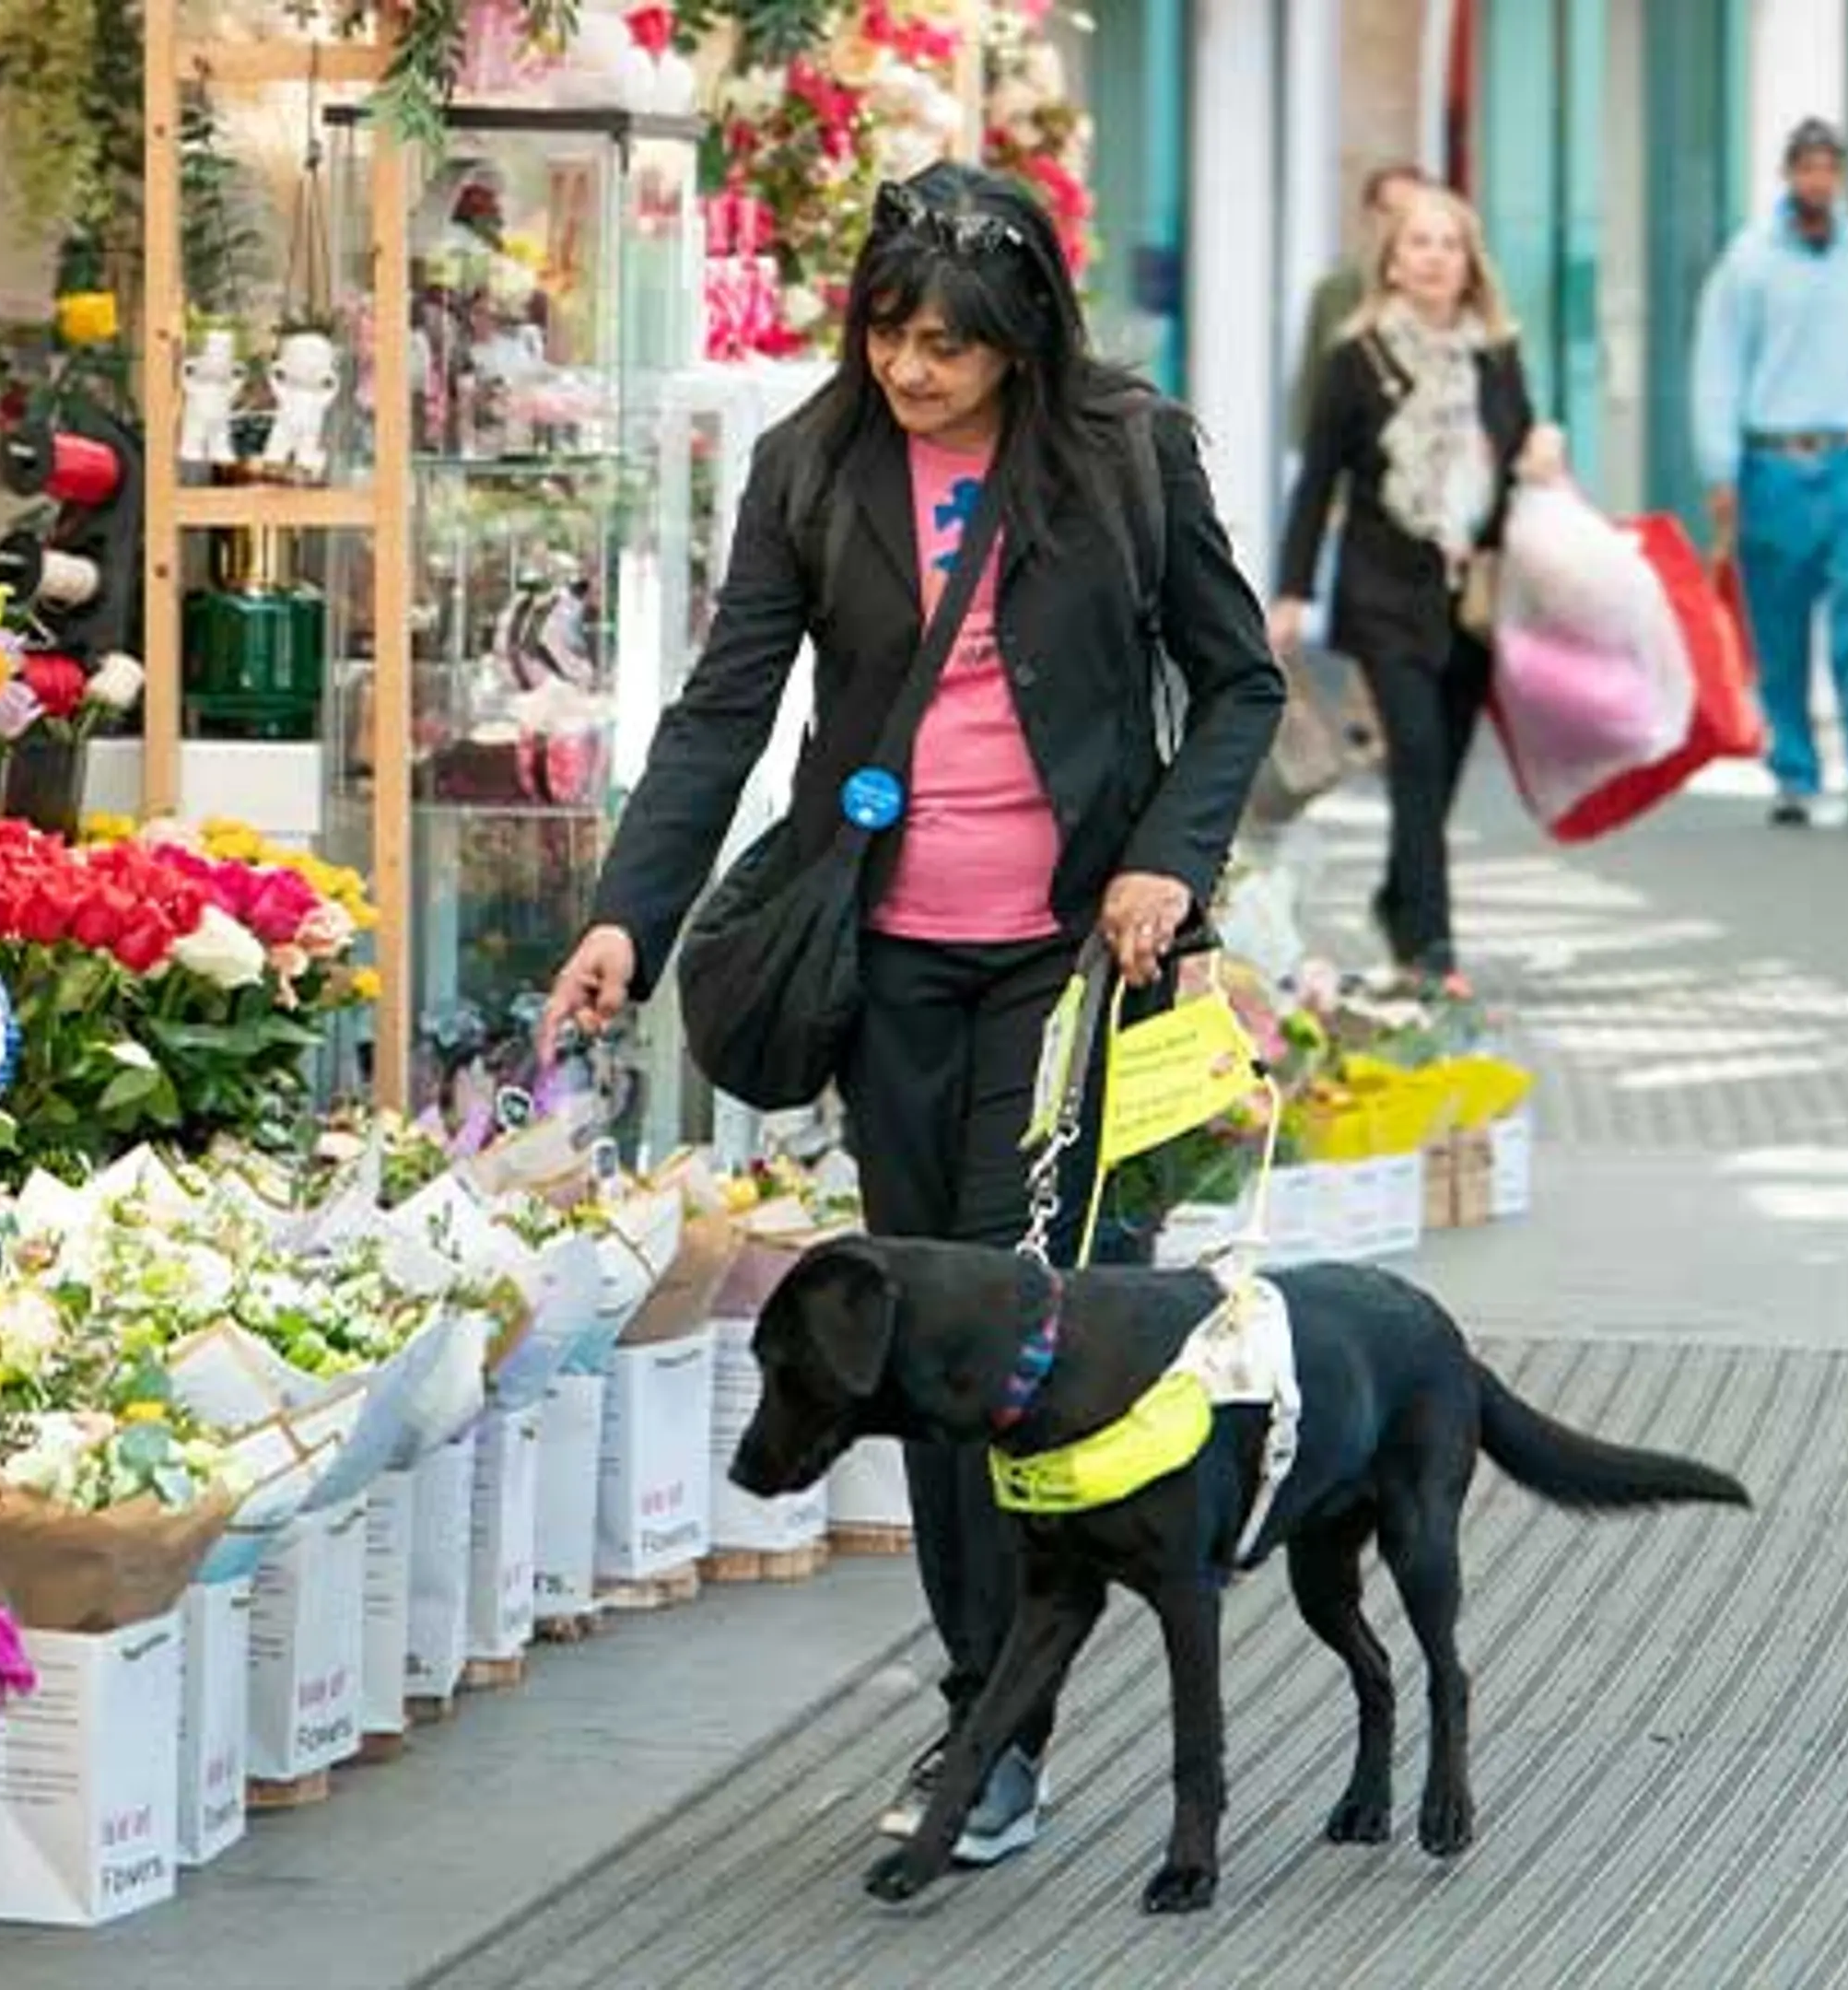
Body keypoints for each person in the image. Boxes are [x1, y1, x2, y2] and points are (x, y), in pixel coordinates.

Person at [537, 163, 1286, 1868]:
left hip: (1074, 956)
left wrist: (1169, 862)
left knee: (1014, 1334)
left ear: (1023, 339)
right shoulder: (810, 466)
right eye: (888, 331)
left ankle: (1009, 1707)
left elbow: (1239, 680)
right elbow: (728, 706)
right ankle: (987, 1705)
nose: (913, 371)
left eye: (950, 343)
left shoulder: (1125, 454)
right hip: (881, 959)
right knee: (929, 1345)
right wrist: (624, 916)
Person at [1269, 184, 1552, 983]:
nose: (1433, 257)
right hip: (1384, 592)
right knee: (1418, 761)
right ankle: (1432, 949)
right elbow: (1317, 480)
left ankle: (1400, 897)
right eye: (1418, 243)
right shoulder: (1356, 358)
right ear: (1391, 262)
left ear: (1470, 266)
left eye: (1449, 245)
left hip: (1474, 599)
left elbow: (1519, 447)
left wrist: (1542, 449)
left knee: (1445, 766)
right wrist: (1291, 593)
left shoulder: (1496, 355)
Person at [1690, 116, 1848, 830]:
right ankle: (1794, 770)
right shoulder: (1749, 263)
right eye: (1805, 168)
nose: (1816, 181)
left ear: (1841, 178)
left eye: (1828, 169)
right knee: (1781, 629)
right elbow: (1719, 367)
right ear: (1788, 175)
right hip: (1774, 463)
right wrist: (1720, 466)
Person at [1292, 161, 1433, 446]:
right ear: (1369, 215)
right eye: (1389, 211)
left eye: (1411, 212)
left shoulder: (1442, 293)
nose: (1399, 223)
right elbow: (1311, 384)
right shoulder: (1334, 292)